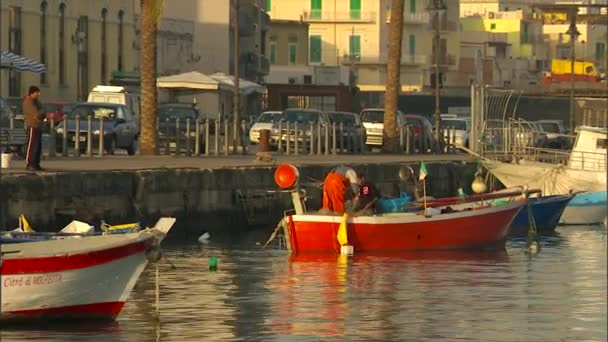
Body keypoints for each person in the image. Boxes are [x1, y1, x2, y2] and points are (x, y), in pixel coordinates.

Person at [23, 86, 44, 171]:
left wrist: (42, 112)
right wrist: (41, 112)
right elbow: (36, 113)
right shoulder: (28, 102)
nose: (38, 94)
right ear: (32, 93)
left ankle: (36, 163)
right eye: (37, 92)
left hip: (38, 125)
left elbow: (43, 110)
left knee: (38, 146)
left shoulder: (36, 101)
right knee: (32, 145)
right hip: (32, 125)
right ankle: (30, 163)